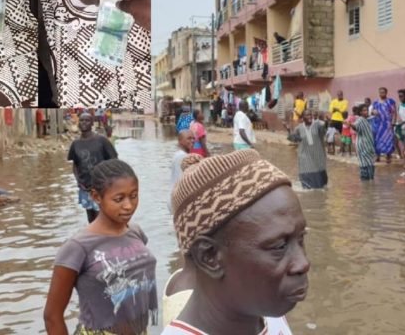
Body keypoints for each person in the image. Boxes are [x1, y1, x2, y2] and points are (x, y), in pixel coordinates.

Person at [162, 150, 307, 334]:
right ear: (209, 257)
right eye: (279, 247)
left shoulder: (264, 311)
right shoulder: (260, 300)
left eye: (301, 239)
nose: (303, 263)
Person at [44, 159, 158, 334]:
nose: (128, 205)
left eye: (133, 196)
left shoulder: (136, 232)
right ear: (96, 197)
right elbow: (52, 316)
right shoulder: (78, 247)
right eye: (118, 199)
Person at [68, 112, 118, 223]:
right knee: (90, 217)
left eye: (87, 120)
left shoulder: (101, 140)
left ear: (92, 123)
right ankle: (95, 238)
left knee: (102, 217)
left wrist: (108, 181)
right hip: (85, 187)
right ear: (78, 123)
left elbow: (114, 161)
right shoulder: (76, 144)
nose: (84, 123)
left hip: (101, 187)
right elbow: (75, 165)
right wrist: (78, 181)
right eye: (81, 120)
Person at [286, 110, 329, 189]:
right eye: (307, 115)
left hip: (317, 156)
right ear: (303, 118)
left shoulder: (317, 125)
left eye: (310, 114)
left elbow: (324, 130)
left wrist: (327, 122)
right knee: (307, 184)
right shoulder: (299, 128)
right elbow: (294, 139)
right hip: (304, 156)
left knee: (321, 184)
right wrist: (288, 130)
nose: (310, 116)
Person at [371, 87, 397, 163]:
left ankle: (388, 157)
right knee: (377, 140)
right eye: (380, 92)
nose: (382, 93)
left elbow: (394, 113)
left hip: (387, 124)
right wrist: (373, 112)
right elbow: (371, 112)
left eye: (383, 92)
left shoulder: (390, 101)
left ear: (386, 92)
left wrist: (393, 123)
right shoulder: (375, 102)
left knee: (388, 140)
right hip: (378, 124)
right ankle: (377, 156)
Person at [352, 105, 377, 181]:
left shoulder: (367, 119)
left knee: (370, 165)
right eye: (364, 110)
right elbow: (355, 126)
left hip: (368, 147)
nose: (366, 112)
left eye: (366, 110)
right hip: (363, 147)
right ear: (360, 112)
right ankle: (366, 186)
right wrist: (350, 125)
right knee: (365, 166)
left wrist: (375, 114)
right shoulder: (360, 120)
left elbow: (374, 117)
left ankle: (368, 187)